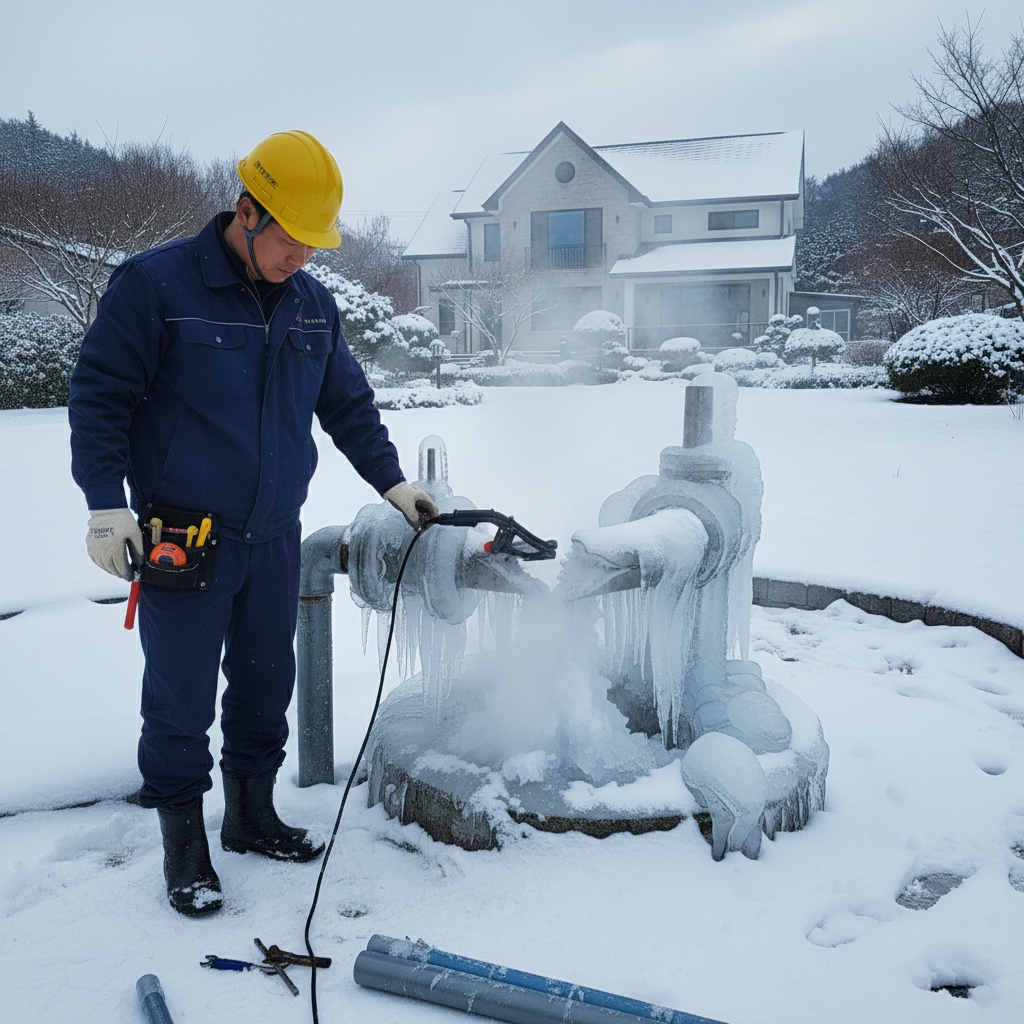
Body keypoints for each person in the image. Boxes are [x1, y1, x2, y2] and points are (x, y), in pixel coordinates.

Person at [68, 130, 437, 917]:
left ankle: (250, 815)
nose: (300, 257)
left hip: (273, 533)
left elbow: (347, 405)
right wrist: (105, 504)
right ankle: (184, 847)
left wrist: (394, 483)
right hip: (184, 538)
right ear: (246, 212)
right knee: (180, 699)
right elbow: (99, 396)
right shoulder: (157, 285)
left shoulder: (312, 304)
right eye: (290, 239)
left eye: (313, 245)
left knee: (268, 683)